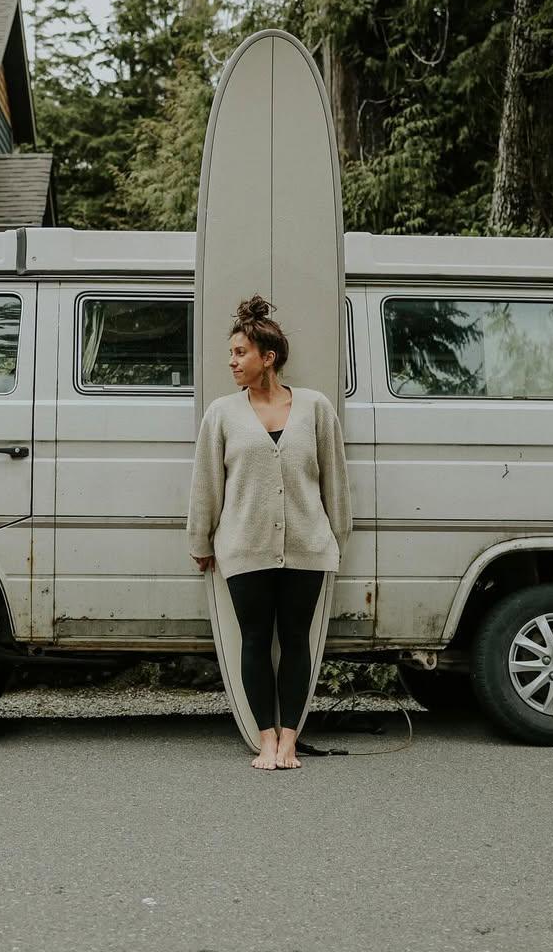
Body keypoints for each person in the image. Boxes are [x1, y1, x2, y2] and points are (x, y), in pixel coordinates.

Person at [187, 294, 352, 770]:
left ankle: (290, 741)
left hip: (307, 547)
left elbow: (335, 482)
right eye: (232, 354)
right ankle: (265, 739)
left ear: (268, 358)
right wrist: (200, 543)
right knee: (255, 640)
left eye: (240, 354)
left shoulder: (316, 408)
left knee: (296, 639)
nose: (232, 362)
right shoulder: (221, 413)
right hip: (243, 547)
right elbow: (206, 485)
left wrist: (334, 540)